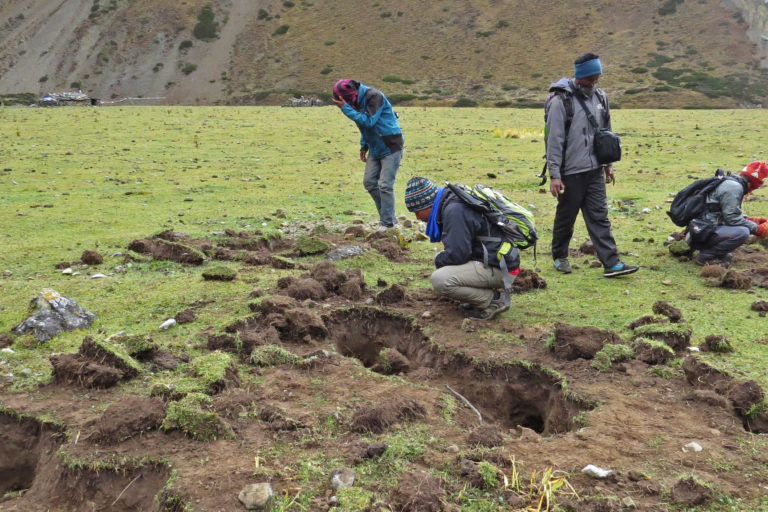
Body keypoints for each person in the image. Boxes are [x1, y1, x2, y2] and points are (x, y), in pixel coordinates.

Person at [545, 52, 638, 278]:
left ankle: (611, 263)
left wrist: (607, 164)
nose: (595, 81)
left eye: (597, 77)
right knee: (567, 216)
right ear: (580, 77)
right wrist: (555, 175)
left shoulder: (600, 97)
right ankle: (560, 256)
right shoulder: (561, 102)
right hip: (571, 172)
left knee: (599, 216)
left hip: (595, 169)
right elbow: (554, 141)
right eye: (591, 78)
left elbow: (605, 133)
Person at [404, 176, 520, 321]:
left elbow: (458, 255)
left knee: (440, 279)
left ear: (427, 204)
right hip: (499, 261)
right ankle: (481, 295)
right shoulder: (451, 201)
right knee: (443, 262)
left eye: (417, 211)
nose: (418, 217)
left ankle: (492, 300)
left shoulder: (454, 211)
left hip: (500, 269)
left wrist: (440, 260)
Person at [333, 79, 404, 229]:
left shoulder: (374, 96)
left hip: (390, 144)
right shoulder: (357, 102)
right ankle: (389, 216)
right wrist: (363, 145)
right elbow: (364, 127)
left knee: (385, 185)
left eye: (343, 100)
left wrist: (346, 108)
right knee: (370, 182)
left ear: (348, 96)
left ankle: (387, 223)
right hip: (375, 146)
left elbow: (369, 121)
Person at [691, 161, 768, 266]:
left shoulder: (731, 182)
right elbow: (731, 218)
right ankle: (706, 256)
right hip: (701, 232)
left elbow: (724, 212)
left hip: (698, 228)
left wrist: (751, 220)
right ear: (753, 182)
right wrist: (757, 229)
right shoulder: (734, 188)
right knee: (743, 232)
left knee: (743, 227)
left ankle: (715, 252)